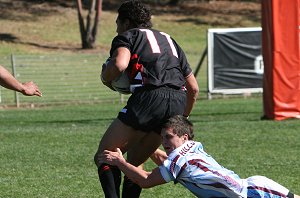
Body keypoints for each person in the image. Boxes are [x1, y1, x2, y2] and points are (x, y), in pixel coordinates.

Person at [94, 0, 199, 197]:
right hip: (178, 99)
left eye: (117, 23)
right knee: (133, 163)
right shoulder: (169, 39)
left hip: (149, 97)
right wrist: (180, 118)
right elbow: (193, 88)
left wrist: (106, 79)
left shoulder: (127, 36)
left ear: (126, 22)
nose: (117, 29)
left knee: (105, 156)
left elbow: (119, 65)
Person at [100, 115, 300, 198]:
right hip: (251, 186)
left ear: (184, 136)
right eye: (161, 138)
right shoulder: (192, 147)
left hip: (254, 193)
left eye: (168, 137)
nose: (164, 142)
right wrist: (149, 149)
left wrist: (120, 161)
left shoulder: (177, 161)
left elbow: (145, 180)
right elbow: (168, 164)